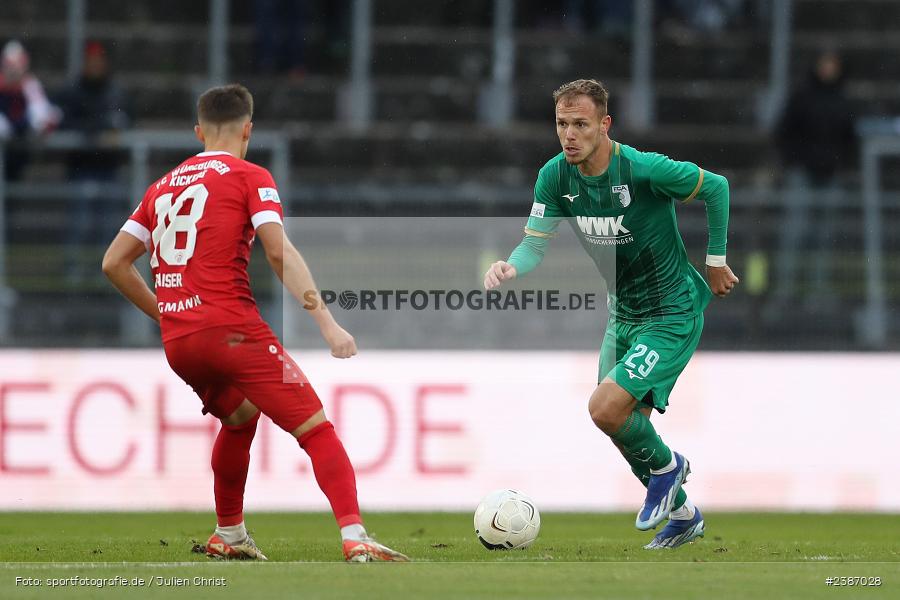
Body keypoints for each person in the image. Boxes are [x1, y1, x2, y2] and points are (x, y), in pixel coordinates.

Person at [102, 84, 408, 563]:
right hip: (235, 331)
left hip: (180, 342)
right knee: (315, 427)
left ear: (198, 130)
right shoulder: (251, 176)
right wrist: (327, 323)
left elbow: (114, 263)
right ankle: (355, 535)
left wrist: (166, 313)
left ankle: (230, 532)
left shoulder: (160, 187)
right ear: (248, 129)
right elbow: (278, 250)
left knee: (240, 417)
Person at [483, 79, 737, 549]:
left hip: (670, 313)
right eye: (562, 124)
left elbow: (716, 188)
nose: (569, 135)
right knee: (618, 423)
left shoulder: (641, 169)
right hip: (623, 316)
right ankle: (683, 514)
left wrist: (716, 260)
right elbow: (535, 246)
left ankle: (669, 468)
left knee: (605, 406)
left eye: (581, 124)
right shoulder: (555, 177)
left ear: (604, 124)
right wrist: (510, 266)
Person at [766, 49, 855, 320]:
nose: (828, 68)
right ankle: (784, 293)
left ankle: (819, 293)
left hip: (831, 176)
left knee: (826, 238)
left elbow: (850, 140)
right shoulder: (802, 97)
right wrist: (799, 160)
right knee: (794, 234)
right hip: (802, 174)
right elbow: (783, 134)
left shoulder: (843, 101)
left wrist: (838, 163)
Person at [0, 39, 60, 180]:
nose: (13, 70)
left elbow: (43, 117)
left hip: (20, 149)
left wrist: (41, 124)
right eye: (10, 65)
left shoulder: (30, 86)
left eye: (17, 65)